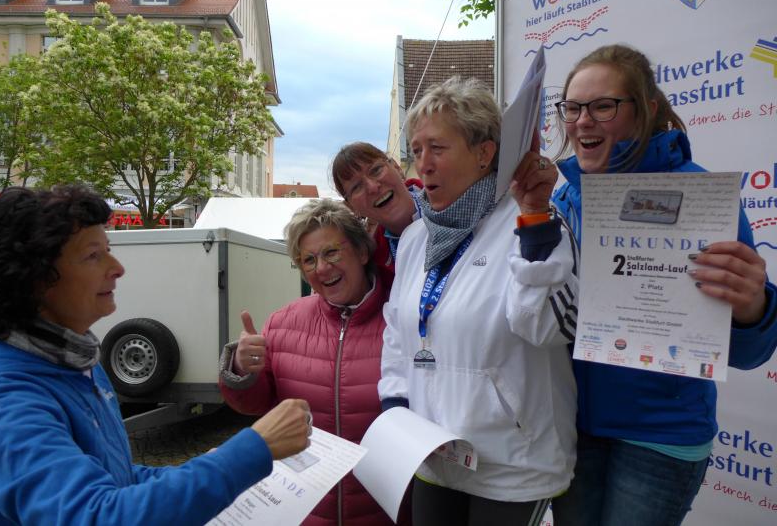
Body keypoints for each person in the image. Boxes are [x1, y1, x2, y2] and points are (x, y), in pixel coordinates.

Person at [0, 185, 312, 526]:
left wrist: (213, 465)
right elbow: (98, 516)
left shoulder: (77, 362)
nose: (118, 268)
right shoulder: (5, 397)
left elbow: (116, 477)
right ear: (34, 277)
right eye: (93, 255)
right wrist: (251, 450)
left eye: (109, 250)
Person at [545, 44, 777, 526]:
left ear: (646, 109)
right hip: (575, 426)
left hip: (660, 438)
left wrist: (752, 309)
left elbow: (745, 353)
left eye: (603, 106)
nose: (582, 121)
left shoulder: (699, 197)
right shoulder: (565, 196)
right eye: (573, 107)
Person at [378, 76, 580, 526]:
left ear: (484, 153)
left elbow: (544, 327)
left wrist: (534, 218)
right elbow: (398, 332)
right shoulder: (415, 238)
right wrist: (395, 404)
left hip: (514, 465)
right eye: (417, 150)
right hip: (435, 456)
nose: (423, 164)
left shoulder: (534, 221)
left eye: (438, 148)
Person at [219, 199, 405, 526]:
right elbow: (255, 404)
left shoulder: (403, 318)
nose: (321, 268)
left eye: (331, 252)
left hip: (386, 511)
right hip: (306, 512)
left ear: (362, 252)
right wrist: (242, 369)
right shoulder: (282, 322)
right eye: (308, 260)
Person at [331, 142, 423, 275]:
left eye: (376, 170)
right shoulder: (375, 265)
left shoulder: (450, 202)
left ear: (396, 167)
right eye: (356, 187)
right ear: (351, 207)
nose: (372, 187)